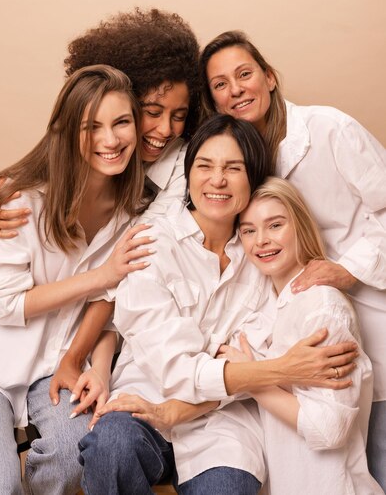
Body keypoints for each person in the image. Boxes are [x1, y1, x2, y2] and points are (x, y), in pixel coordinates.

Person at [78, 115, 358, 495]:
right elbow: (175, 371)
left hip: (223, 421)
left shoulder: (264, 256)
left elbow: (249, 364)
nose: (217, 180)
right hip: (145, 400)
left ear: (253, 177)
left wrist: (246, 377)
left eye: (233, 168)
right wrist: (281, 369)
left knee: (227, 486)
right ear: (189, 174)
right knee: (111, 446)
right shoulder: (149, 245)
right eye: (204, 166)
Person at [0, 7, 201, 406]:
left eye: (178, 116)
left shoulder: (168, 180)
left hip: (100, 337)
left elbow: (120, 280)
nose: (164, 130)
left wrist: (85, 359)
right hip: (2, 353)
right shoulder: (43, 183)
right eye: (152, 113)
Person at [199, 30, 386, 490]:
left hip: (366, 310)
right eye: (220, 84)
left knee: (373, 455)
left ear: (270, 77)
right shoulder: (241, 161)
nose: (236, 89)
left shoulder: (329, 129)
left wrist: (347, 270)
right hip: (301, 323)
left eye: (244, 74)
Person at [0, 65, 153, 495]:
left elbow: (116, 301)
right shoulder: (20, 199)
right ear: (68, 131)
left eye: (122, 122)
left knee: (72, 459)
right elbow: (4, 304)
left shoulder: (139, 209)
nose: (112, 140)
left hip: (59, 364)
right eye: (93, 127)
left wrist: (92, 365)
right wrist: (101, 275)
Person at [230, 177, 383, 494]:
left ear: (299, 225)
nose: (261, 240)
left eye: (275, 225)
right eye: (248, 230)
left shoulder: (322, 306)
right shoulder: (269, 308)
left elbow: (330, 428)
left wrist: (251, 379)